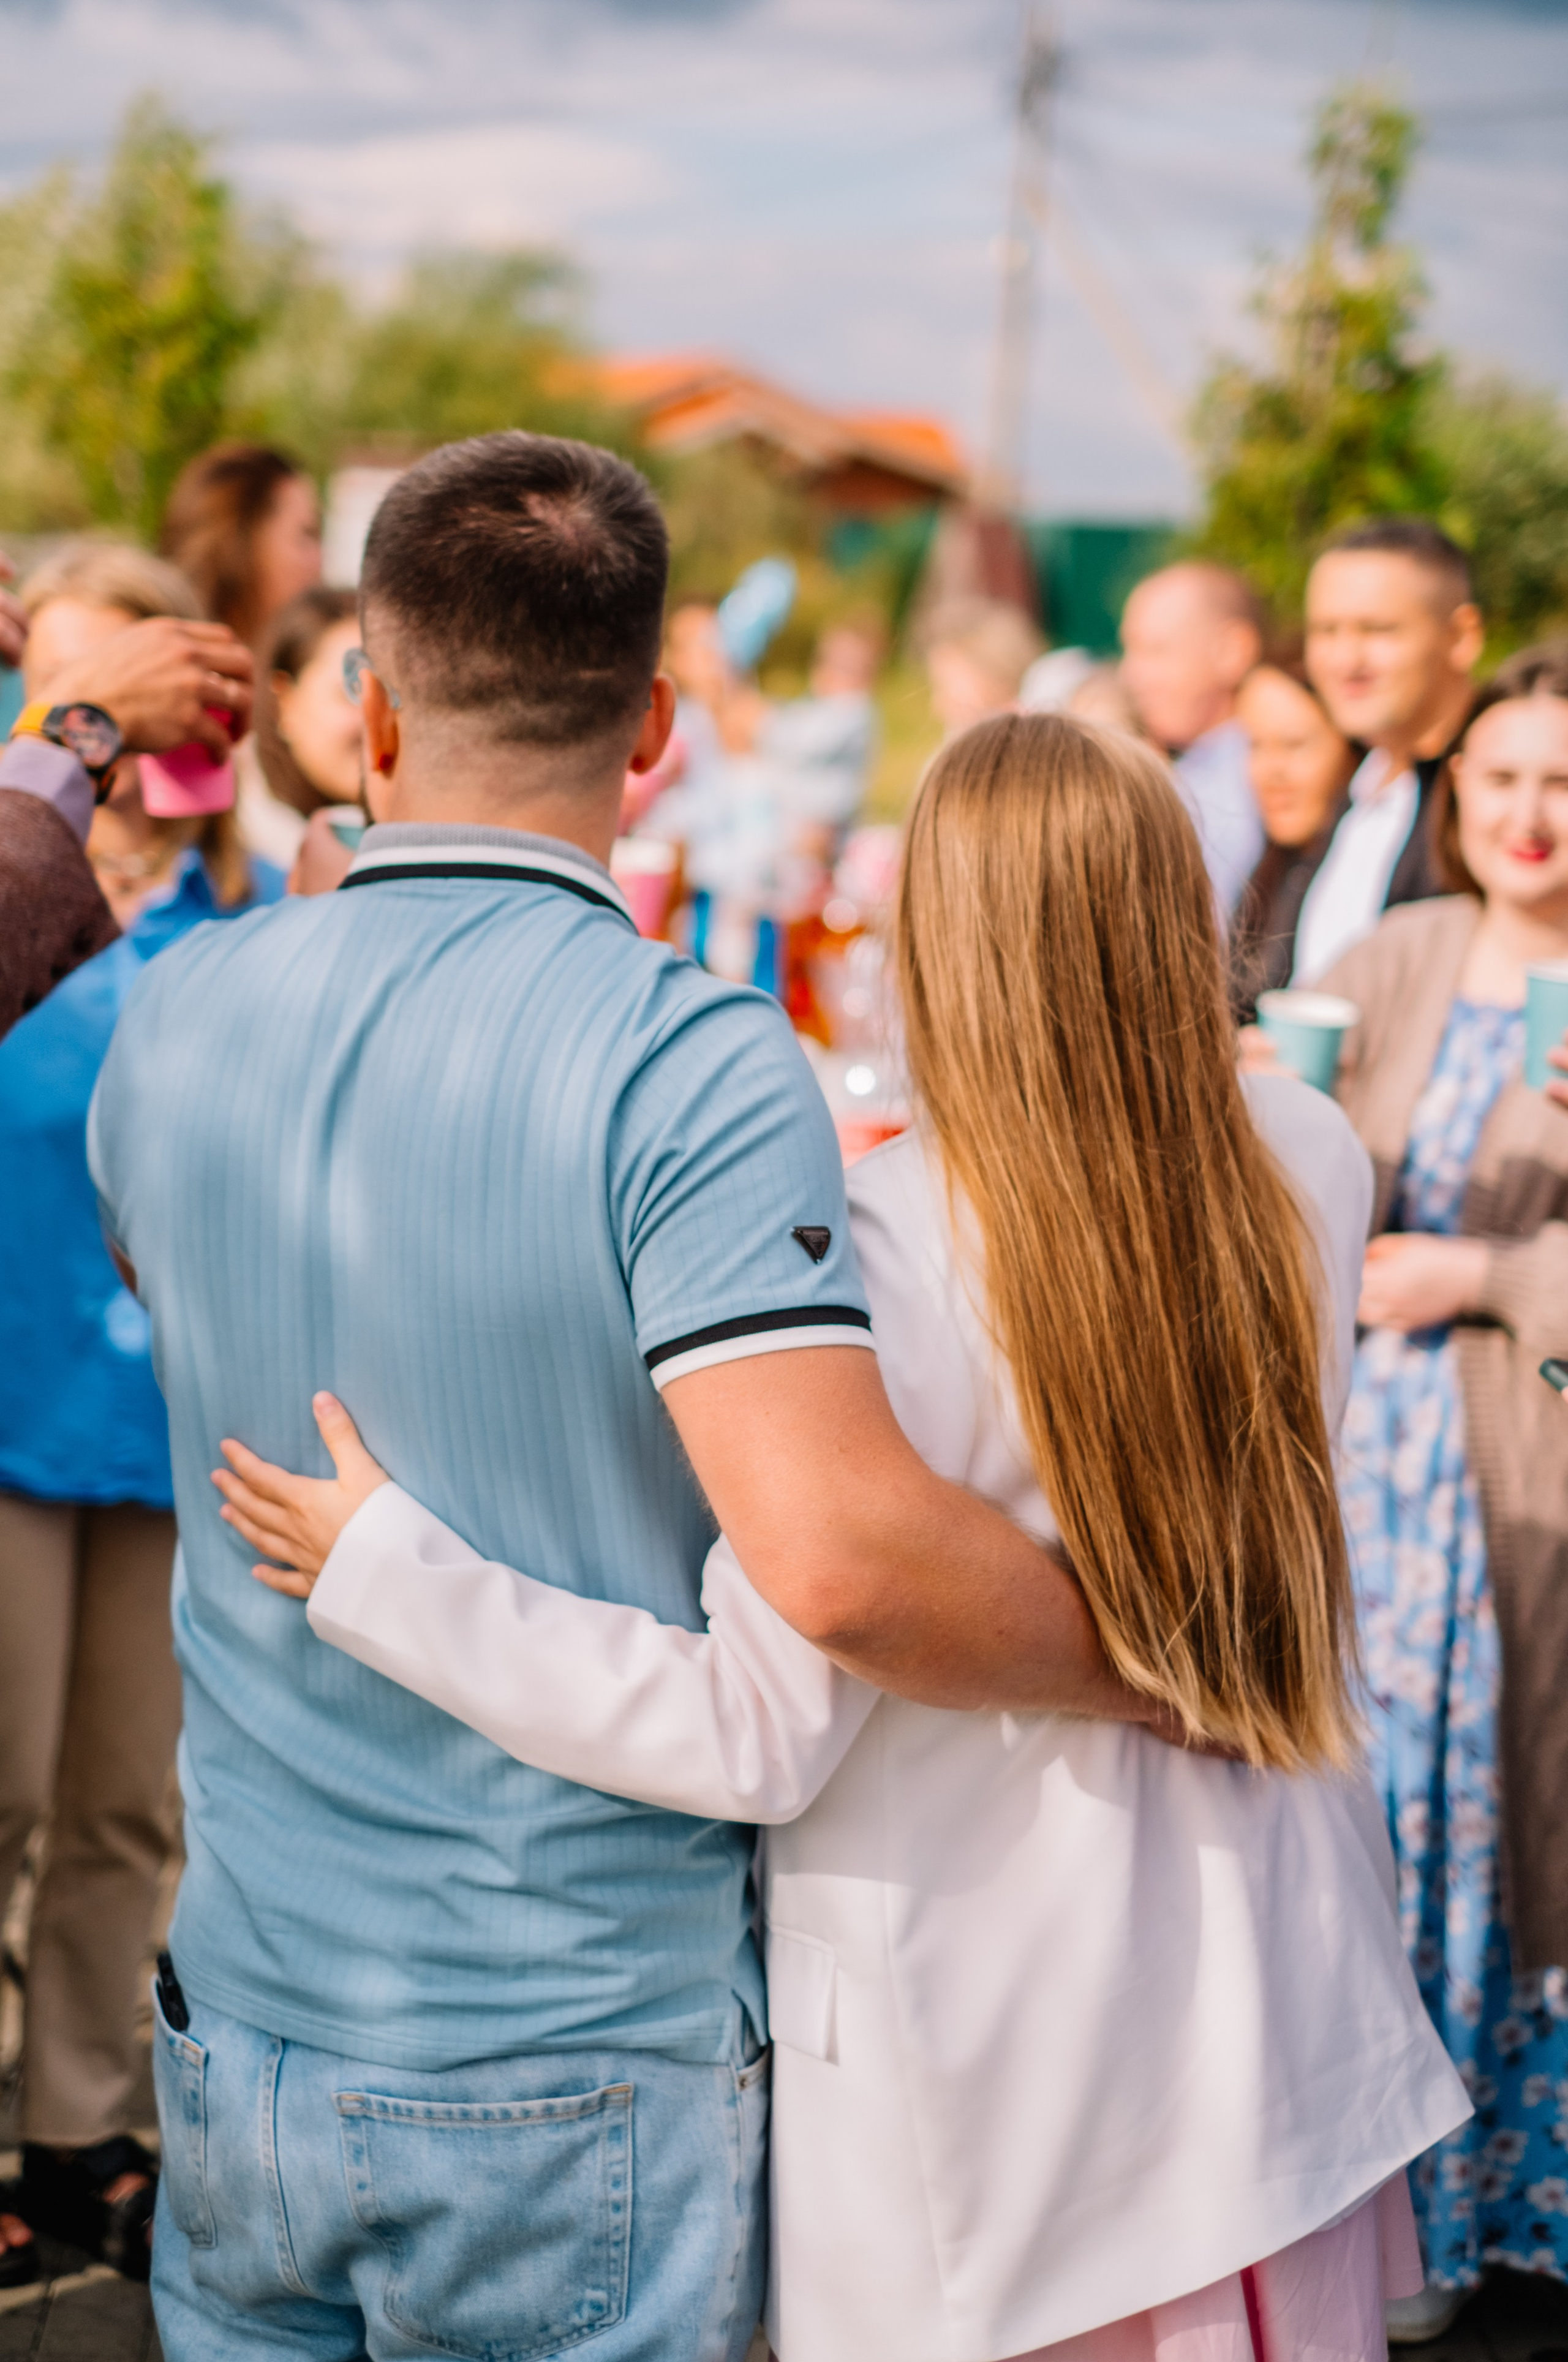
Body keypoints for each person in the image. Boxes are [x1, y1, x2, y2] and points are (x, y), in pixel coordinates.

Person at [88, 434, 1182, 2362]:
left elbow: (160, 1291)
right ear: (654, 725)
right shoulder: (690, 1059)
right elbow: (839, 1562)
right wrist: (1159, 1662)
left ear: (366, 706)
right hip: (565, 2041)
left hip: (245, 2007)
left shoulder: (174, 1008)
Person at [220, 711, 1469, 2362]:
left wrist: (394, 1575)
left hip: (1006, 2061)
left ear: (928, 943)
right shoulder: (1309, 1160)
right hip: (1271, 1999)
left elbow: (755, 1726)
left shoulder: (877, 1254)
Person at [0, 545, 281, 2291]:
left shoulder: (244, 916)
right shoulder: (28, 875)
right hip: (13, 1398)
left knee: (122, 1804)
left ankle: (84, 2125)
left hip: (158, 1407)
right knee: (0, 1794)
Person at [1310, 646, 1568, 2337]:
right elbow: (1277, 1132)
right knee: (1371, 1825)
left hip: (1518, 1480)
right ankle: (1375, 2226)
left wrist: (1482, 1271)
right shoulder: (1397, 951)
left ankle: (1489, 2216)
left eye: (1562, 786)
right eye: (1502, 783)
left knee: (1491, 1825)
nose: (1532, 817)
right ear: (1453, 798)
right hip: (1368, 1477)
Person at [0, 562, 255, 1039]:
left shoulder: (275, 902)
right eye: (66, 690)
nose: (107, 721)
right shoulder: (15, 893)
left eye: (130, 687)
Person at [1291, 518, 1483, 984]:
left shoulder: (1501, 803)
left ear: (1460, 638)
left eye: (1377, 630)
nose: (1346, 661)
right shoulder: (1345, 787)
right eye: (1326, 631)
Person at [160, 441, 326, 870]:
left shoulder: (306, 684)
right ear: (242, 545)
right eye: (306, 536)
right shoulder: (175, 700)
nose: (320, 563)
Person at [1119, 560, 1266, 916]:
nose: (1130, 675)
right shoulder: (1189, 767)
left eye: (1155, 650)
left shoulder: (1255, 777)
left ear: (1234, 651)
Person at [1228, 651, 1358, 1020]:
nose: (1272, 771)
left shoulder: (1365, 874)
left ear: (1351, 748)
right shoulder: (1269, 867)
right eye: (1256, 745)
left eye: (1295, 745)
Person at [922, 596, 1042, 739]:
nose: (938, 705)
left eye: (948, 688)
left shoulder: (1028, 737)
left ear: (997, 677)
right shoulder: (960, 735)